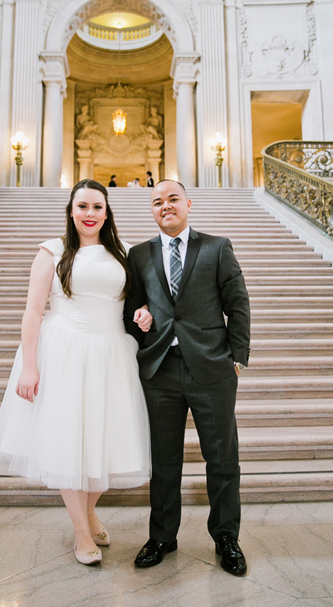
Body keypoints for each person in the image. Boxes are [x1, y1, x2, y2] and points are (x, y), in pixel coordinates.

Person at [0, 179, 153, 565]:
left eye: (97, 207)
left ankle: (90, 511)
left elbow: (140, 302)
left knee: (107, 440)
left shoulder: (127, 253)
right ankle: (81, 533)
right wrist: (29, 366)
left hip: (112, 349)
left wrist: (145, 313)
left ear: (107, 211)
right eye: (82, 206)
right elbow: (32, 311)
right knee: (66, 442)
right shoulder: (52, 250)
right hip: (63, 348)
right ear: (71, 210)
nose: (90, 214)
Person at [123, 180, 251, 576]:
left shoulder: (216, 247)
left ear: (188, 204)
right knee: (164, 461)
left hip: (212, 368)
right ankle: (162, 536)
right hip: (160, 369)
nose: (165, 206)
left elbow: (238, 302)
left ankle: (226, 537)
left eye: (172, 198)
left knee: (222, 458)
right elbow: (131, 305)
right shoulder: (139, 253)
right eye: (157, 201)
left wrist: (238, 359)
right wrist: (139, 315)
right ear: (152, 210)